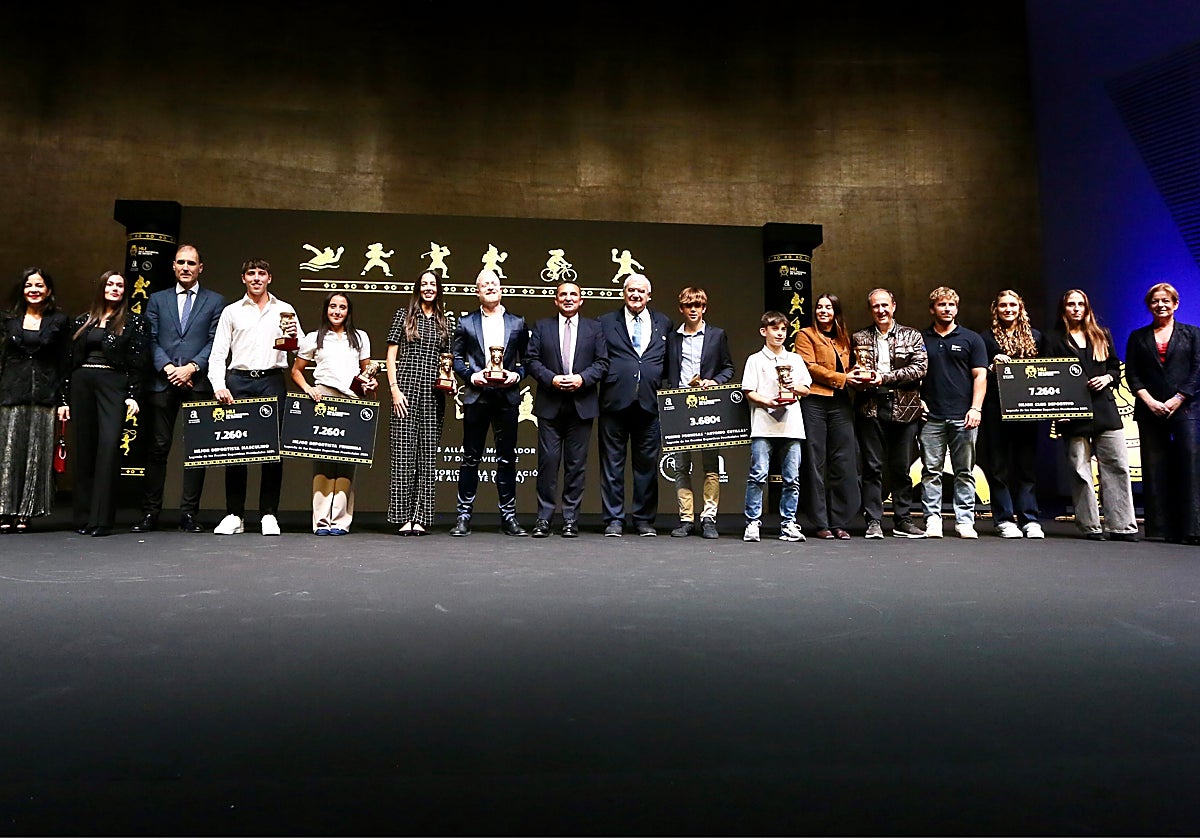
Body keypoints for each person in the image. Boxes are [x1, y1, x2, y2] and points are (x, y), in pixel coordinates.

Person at [132, 244, 225, 534]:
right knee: (158, 448)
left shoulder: (215, 301)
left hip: (197, 382)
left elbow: (215, 341)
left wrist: (192, 367)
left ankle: (188, 514)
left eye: (192, 263)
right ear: (173, 266)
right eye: (181, 262)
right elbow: (150, 338)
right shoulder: (157, 299)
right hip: (164, 381)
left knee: (197, 451)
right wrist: (169, 368)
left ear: (201, 268)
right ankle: (150, 513)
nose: (186, 267)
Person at [207, 259, 299, 536]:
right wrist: (218, 385)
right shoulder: (231, 311)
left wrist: (296, 336)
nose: (256, 278)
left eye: (261, 274)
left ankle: (269, 513)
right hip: (239, 381)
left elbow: (301, 347)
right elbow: (219, 352)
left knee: (273, 451)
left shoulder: (285, 309)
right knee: (236, 450)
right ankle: (235, 514)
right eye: (251, 274)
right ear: (243, 278)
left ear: (270, 278)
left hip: (272, 380)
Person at [60, 270, 150, 537]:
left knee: (109, 447)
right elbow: (68, 361)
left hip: (114, 385)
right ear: (101, 288)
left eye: (119, 285)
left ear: (125, 291)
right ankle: (83, 517)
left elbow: (139, 362)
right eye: (109, 284)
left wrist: (133, 394)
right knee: (85, 448)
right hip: (82, 384)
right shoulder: (81, 321)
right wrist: (63, 400)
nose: (114, 288)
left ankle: (101, 519)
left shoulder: (135, 322)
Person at [1048, 289, 1139, 541]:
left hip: (1105, 410)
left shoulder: (1101, 335)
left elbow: (1114, 366)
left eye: (1081, 304)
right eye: (1071, 304)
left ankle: (1122, 526)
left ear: (1087, 308)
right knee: (1080, 470)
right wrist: (1057, 411)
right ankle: (1090, 526)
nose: (1076, 309)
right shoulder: (1053, 339)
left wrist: (1108, 377)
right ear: (1063, 309)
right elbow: (1049, 377)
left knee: (1118, 466)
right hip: (1071, 411)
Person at [449, 268, 529, 537]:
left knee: (507, 459)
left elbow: (528, 361)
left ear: (501, 288)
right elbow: (456, 359)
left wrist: (516, 375)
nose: (490, 287)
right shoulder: (466, 323)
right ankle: (463, 516)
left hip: (506, 396)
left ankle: (509, 517)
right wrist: (472, 376)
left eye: (494, 283)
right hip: (477, 396)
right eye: (485, 285)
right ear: (477, 291)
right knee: (470, 458)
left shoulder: (518, 323)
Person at [526, 281, 609, 538]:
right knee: (548, 464)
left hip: (581, 405)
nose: (569, 298)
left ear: (581, 300)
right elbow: (531, 360)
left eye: (573, 294)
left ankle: (571, 519)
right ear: (556, 300)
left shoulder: (595, 328)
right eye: (563, 295)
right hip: (550, 404)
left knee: (576, 466)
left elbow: (603, 362)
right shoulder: (542, 326)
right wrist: (551, 378)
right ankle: (544, 519)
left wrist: (582, 378)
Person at [290, 292, 374, 535]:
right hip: (323, 400)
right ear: (326, 309)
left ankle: (340, 521)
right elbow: (297, 371)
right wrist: (309, 389)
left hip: (351, 402)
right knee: (323, 463)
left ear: (349, 311)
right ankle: (321, 521)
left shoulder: (360, 338)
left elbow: (366, 371)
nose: (337, 311)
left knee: (347, 463)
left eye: (342, 307)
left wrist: (369, 385)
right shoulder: (313, 338)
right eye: (333, 307)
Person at [849, 288, 928, 539]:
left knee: (901, 467)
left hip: (904, 407)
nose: (881, 310)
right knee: (872, 467)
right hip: (870, 407)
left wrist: (885, 378)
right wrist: (857, 379)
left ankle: (902, 519)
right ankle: (873, 520)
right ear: (870, 309)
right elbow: (851, 369)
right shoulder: (859, 337)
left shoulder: (911, 335)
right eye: (875, 307)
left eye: (885, 305)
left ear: (893, 306)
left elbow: (920, 368)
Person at [1124, 282, 1200, 544]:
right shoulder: (1137, 336)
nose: (1161, 305)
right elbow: (1132, 374)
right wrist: (1150, 401)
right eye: (1155, 301)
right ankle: (1163, 528)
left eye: (1166, 300)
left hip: (1186, 408)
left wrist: (1178, 398)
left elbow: (1197, 371)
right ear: (1149, 305)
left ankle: (1193, 529)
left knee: (1189, 465)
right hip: (1149, 410)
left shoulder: (1193, 334)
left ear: (1176, 304)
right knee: (1155, 467)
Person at [597, 273, 672, 537]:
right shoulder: (605, 322)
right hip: (614, 402)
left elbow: (669, 364)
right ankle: (614, 519)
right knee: (612, 465)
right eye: (631, 291)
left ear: (649, 295)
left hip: (650, 404)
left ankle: (643, 519)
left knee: (647, 466)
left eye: (641, 291)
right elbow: (599, 359)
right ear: (624, 294)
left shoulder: (664, 323)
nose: (636, 295)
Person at [0, 268, 71, 533]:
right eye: (29, 285)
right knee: (9, 453)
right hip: (11, 393)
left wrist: (64, 400)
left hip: (45, 395)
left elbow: (65, 362)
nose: (34, 290)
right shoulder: (7, 320)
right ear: (22, 290)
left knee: (35, 455)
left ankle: (25, 512)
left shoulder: (59, 321)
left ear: (48, 291)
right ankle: (4, 509)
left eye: (39, 285)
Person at [662, 287, 735, 539]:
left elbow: (728, 369)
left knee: (710, 465)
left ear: (704, 308)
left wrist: (714, 382)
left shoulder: (717, 335)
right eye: (688, 306)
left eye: (698, 305)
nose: (693, 310)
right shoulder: (673, 338)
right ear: (681, 309)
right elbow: (665, 370)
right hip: (680, 407)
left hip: (708, 405)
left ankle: (709, 518)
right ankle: (686, 518)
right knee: (681, 466)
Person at [918, 286, 988, 539]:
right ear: (932, 309)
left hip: (964, 415)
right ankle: (933, 519)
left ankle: (965, 520)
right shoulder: (920, 339)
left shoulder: (971, 339)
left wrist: (975, 408)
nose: (947, 309)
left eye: (951, 305)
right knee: (931, 470)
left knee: (965, 471)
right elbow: (913, 375)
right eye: (942, 305)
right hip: (930, 416)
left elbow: (980, 375)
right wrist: (917, 401)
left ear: (956, 309)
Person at [385, 270, 450, 536]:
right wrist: (394, 390)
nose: (428, 288)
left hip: (433, 394)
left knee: (426, 457)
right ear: (418, 288)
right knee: (403, 456)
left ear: (438, 289)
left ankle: (421, 517)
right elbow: (390, 357)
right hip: (405, 391)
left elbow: (447, 362)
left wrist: (450, 381)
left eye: (432, 284)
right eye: (424, 284)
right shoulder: (403, 316)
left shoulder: (445, 322)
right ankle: (402, 516)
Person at [978, 289, 1046, 539]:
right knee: (998, 466)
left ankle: (1029, 518)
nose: (1008, 309)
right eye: (1003, 305)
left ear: (1021, 308)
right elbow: (977, 375)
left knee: (1026, 467)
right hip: (997, 408)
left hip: (1028, 412)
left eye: (1013, 305)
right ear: (995, 309)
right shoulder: (985, 339)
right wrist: (992, 365)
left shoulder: (1036, 337)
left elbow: (1048, 372)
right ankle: (1004, 519)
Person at [741, 311, 812, 542]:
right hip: (763, 424)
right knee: (758, 475)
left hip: (791, 425)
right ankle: (752, 523)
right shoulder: (755, 359)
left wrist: (794, 386)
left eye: (783, 329)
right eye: (775, 329)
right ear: (764, 331)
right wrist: (767, 401)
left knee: (792, 478)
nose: (779, 333)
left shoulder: (795, 360)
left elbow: (807, 389)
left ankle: (788, 523)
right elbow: (748, 391)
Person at [794, 293, 860, 540]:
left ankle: (839, 521)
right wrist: (844, 379)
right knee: (815, 460)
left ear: (836, 311)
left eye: (828, 307)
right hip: (814, 401)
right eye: (820, 307)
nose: (823, 311)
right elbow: (808, 366)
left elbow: (852, 366)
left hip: (841, 403)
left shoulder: (845, 337)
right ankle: (820, 521)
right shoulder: (805, 335)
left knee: (843, 460)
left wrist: (859, 376)